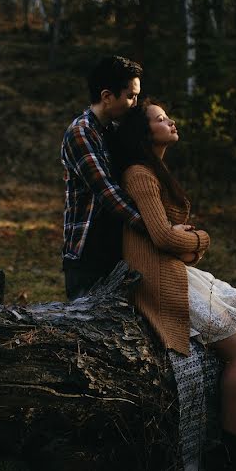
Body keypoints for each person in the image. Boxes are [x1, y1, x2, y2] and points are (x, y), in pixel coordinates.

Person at [109, 99, 236, 471]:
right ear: (145, 133)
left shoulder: (156, 172)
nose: (171, 121)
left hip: (177, 269)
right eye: (161, 119)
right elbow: (163, 238)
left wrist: (183, 242)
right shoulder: (139, 174)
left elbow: (168, 236)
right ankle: (232, 458)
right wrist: (199, 239)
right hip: (158, 279)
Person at [60, 55, 146, 300]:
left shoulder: (112, 131)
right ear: (107, 96)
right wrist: (156, 230)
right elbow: (109, 194)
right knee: (89, 328)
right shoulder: (81, 133)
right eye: (131, 96)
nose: (135, 103)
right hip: (88, 255)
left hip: (116, 249)